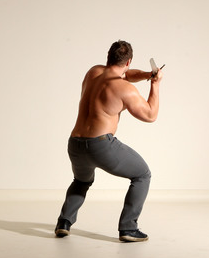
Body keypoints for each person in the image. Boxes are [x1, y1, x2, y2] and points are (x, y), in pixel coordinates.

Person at [55, 40, 163, 242]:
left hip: (75, 144)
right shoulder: (124, 89)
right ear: (129, 61)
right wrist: (155, 84)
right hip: (101, 146)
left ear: (109, 57)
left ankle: (64, 223)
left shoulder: (93, 73)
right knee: (142, 175)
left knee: (81, 181)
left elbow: (125, 74)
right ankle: (128, 229)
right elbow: (150, 115)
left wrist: (147, 75)